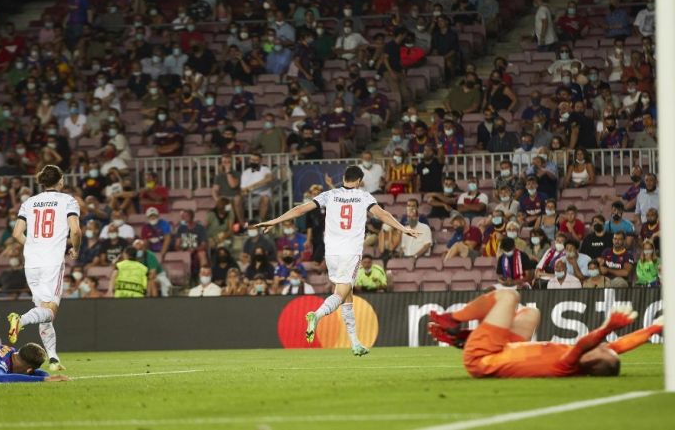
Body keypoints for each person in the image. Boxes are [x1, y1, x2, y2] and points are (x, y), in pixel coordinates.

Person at [254, 166, 422, 356]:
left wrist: (274, 221)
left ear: (343, 178)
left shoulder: (330, 194)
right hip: (350, 251)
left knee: (347, 295)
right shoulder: (364, 197)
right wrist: (403, 228)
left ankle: (355, 343)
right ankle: (316, 316)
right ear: (359, 181)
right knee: (341, 293)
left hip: (331, 253)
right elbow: (383, 215)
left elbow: (301, 209)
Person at [428, 290, 662, 377]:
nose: (604, 347)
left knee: (509, 296)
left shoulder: (569, 364)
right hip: (503, 349)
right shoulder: (586, 360)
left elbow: (585, 343)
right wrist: (656, 326)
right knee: (531, 313)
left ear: (590, 361)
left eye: (601, 351)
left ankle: (454, 320)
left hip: (481, 358)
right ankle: (466, 337)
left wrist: (608, 327)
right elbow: (624, 343)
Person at [7, 165, 81, 373]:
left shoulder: (28, 203)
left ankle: (54, 358)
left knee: (43, 309)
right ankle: (20, 320)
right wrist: (75, 249)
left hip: (31, 261)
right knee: (49, 312)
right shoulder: (68, 201)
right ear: (61, 181)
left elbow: (16, 234)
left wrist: (33, 245)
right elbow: (75, 230)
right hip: (52, 261)